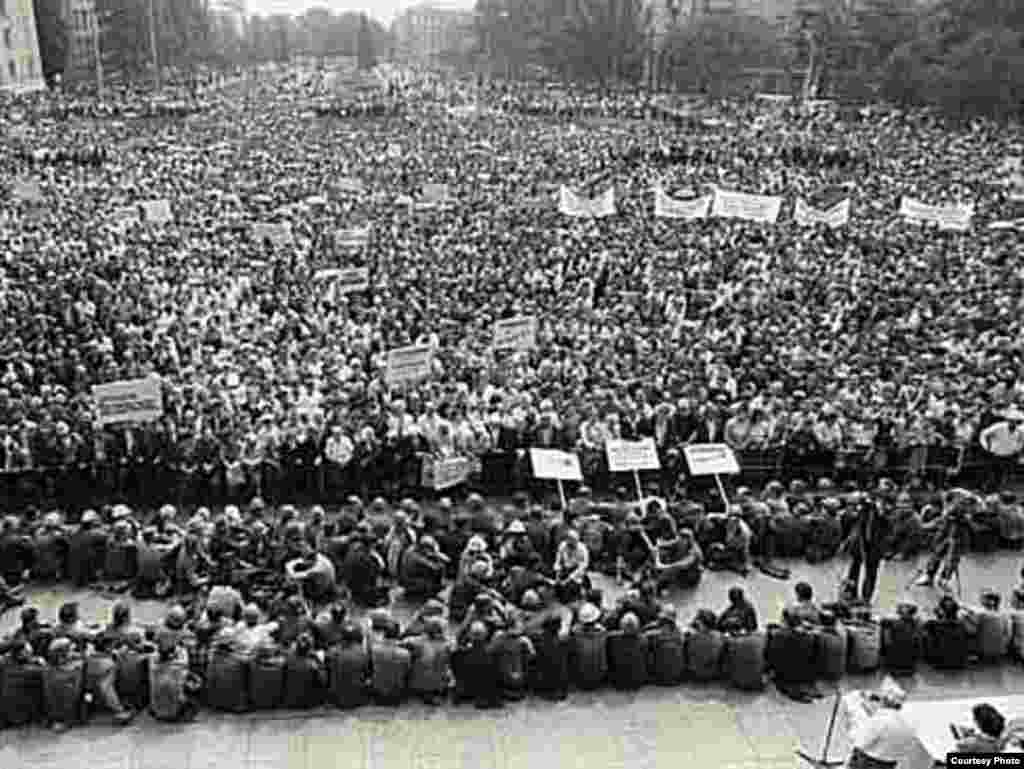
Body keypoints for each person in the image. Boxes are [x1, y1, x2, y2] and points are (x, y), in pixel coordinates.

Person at [846, 680, 916, 769]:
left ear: (883, 700)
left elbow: (860, 742)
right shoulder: (907, 721)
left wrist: (854, 725)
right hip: (889, 764)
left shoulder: (880, 719)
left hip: (867, 764)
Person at [842, 496, 892, 604]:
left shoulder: (883, 517)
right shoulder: (860, 515)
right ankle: (851, 592)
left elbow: (887, 530)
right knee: (855, 568)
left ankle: (866, 597)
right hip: (860, 544)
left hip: (874, 546)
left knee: (870, 571)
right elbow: (850, 523)